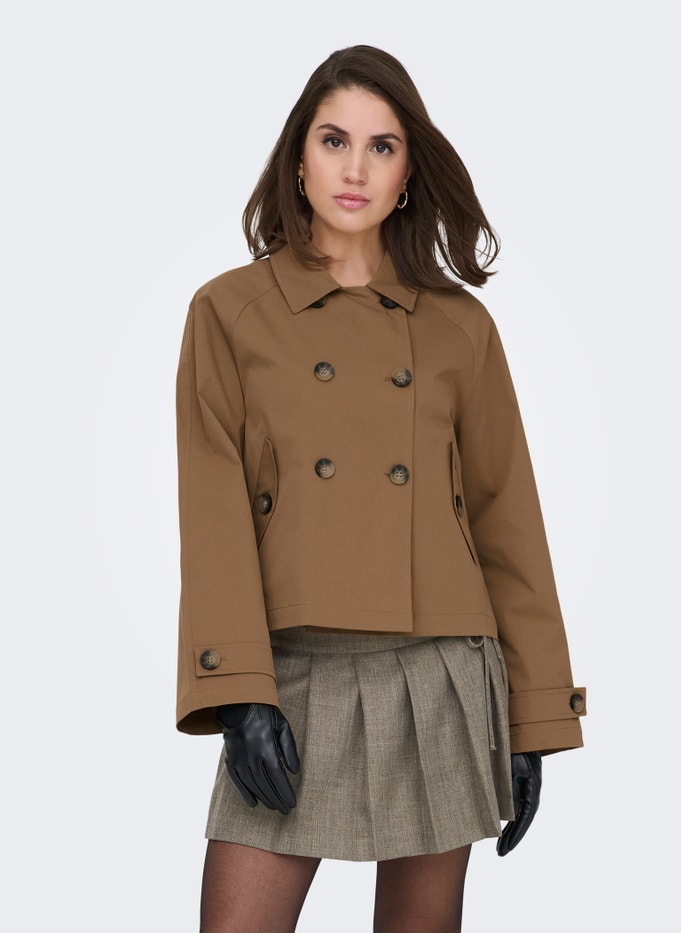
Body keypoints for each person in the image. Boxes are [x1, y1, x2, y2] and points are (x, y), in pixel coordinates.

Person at [175, 45, 586, 933]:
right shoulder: (228, 312)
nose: (355, 168)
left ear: (407, 172)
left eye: (382, 146)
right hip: (290, 672)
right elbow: (211, 515)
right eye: (334, 141)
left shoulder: (460, 327)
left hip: (438, 670)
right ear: (298, 157)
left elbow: (508, 519)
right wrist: (239, 688)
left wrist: (533, 716)